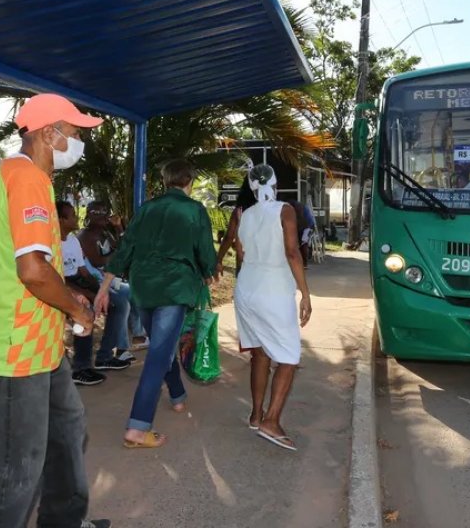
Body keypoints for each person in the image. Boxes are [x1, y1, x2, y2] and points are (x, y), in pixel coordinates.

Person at [0, 93, 109, 528]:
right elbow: (30, 270)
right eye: (75, 133)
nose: (79, 142)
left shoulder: (30, 180)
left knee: (66, 434)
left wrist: (67, 300)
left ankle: (65, 522)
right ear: (50, 133)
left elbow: (28, 266)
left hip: (41, 348)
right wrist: (78, 313)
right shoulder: (24, 178)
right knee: (12, 468)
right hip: (15, 355)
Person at [95, 158, 217, 449]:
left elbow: (126, 248)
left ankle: (176, 395)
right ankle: (138, 426)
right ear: (189, 182)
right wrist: (209, 272)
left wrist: (104, 287)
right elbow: (205, 251)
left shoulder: (147, 208)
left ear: (165, 181)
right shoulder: (194, 209)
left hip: (144, 287)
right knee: (158, 354)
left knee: (163, 346)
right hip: (174, 287)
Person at [233, 164, 312, 451]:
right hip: (273, 290)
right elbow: (292, 252)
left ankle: (256, 415)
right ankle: (272, 420)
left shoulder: (244, 214)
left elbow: (240, 253)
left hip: (246, 289)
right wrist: (305, 292)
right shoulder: (285, 210)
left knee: (261, 354)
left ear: (252, 187)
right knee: (289, 357)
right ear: (276, 185)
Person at [58, 200, 129, 386]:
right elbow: (58, 279)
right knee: (85, 309)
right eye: (72, 215)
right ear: (59, 219)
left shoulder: (72, 240)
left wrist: (100, 291)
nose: (76, 218)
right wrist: (89, 296)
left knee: (119, 303)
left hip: (78, 281)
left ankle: (104, 356)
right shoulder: (51, 242)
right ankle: (80, 368)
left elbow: (83, 271)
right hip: (62, 286)